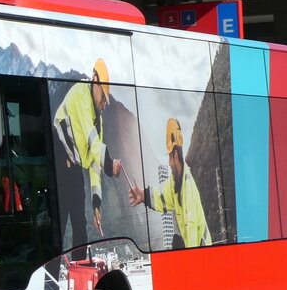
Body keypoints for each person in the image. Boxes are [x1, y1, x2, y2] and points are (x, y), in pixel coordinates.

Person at [53, 59, 144, 247]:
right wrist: (110, 165)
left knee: (80, 224)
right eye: (103, 96)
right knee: (59, 221)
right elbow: (93, 140)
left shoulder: (98, 119)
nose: (103, 104)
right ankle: (53, 265)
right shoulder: (81, 92)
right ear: (94, 80)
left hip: (74, 166)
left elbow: (96, 162)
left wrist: (96, 204)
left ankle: (79, 264)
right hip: (58, 157)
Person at [140, 118, 211, 249]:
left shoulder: (187, 189)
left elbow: (192, 234)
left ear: (175, 155)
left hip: (201, 252)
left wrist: (189, 258)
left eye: (169, 157)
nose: (169, 163)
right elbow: (163, 197)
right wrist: (142, 195)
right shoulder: (176, 181)